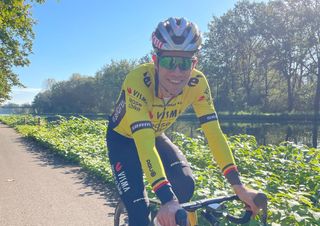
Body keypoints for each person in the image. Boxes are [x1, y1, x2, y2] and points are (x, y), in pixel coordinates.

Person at [107, 17, 260, 226]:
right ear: (155, 60)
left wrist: (239, 187)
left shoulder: (198, 84)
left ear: (193, 64)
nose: (177, 72)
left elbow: (214, 135)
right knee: (139, 212)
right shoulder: (137, 81)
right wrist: (168, 200)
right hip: (123, 140)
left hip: (154, 134)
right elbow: (144, 145)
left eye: (184, 63)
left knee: (185, 185)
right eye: (169, 62)